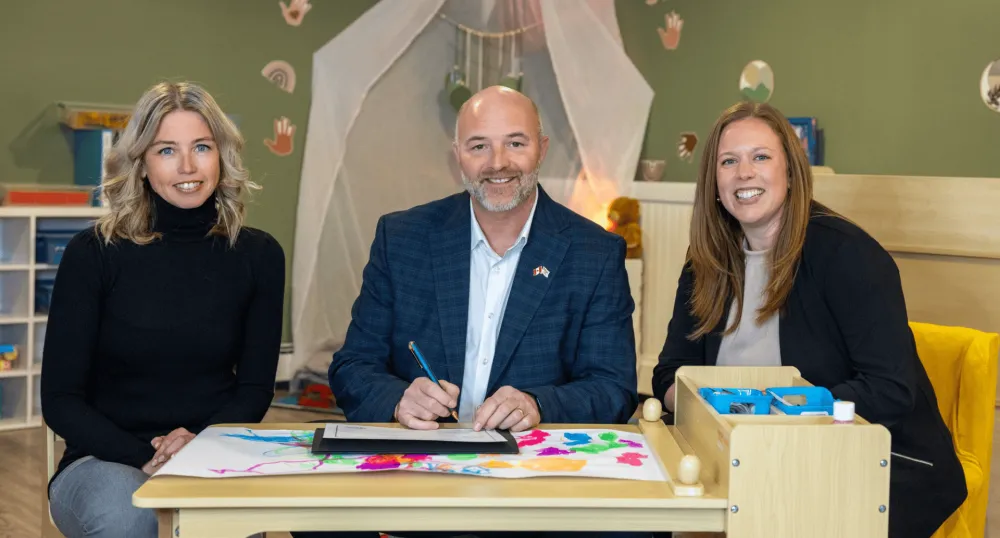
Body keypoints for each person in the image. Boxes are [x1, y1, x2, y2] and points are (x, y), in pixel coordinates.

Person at [293, 86, 643, 538]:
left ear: (542, 149)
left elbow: (613, 388)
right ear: (457, 155)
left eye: (516, 143)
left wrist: (537, 404)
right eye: (479, 146)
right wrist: (399, 399)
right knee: (311, 520)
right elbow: (353, 366)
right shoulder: (402, 238)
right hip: (418, 470)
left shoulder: (594, 252)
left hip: (534, 477)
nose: (498, 162)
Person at [651, 101, 967, 538]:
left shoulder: (848, 255)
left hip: (861, 463)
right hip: (740, 458)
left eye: (760, 157)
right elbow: (671, 371)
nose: (744, 173)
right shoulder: (704, 261)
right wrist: (700, 412)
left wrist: (771, 411)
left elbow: (890, 390)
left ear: (792, 172)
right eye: (729, 161)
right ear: (714, 182)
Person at [41, 81, 286, 538]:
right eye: (167, 150)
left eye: (201, 147)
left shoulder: (259, 255)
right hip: (105, 459)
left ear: (222, 156)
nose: (188, 166)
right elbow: (60, 401)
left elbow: (254, 389)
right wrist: (146, 457)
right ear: (140, 163)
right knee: (131, 517)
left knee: (239, 522)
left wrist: (197, 446)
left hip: (212, 452)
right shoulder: (93, 252)